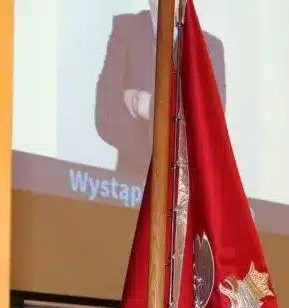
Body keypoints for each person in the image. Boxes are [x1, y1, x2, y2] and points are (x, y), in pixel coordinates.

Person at [95, 0, 226, 177]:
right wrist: (166, 138)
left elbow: (207, 127)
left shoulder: (210, 48)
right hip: (133, 180)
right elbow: (106, 117)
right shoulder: (125, 29)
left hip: (186, 183)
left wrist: (147, 106)